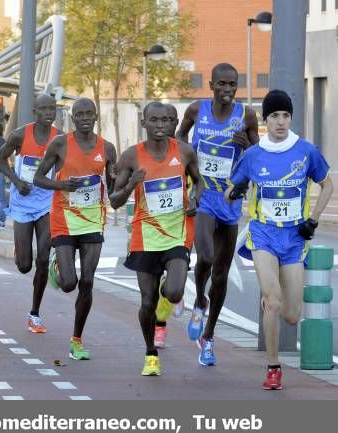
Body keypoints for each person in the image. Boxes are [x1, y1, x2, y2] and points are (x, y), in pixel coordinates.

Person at [227, 89, 333, 390]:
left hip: (295, 238)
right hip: (263, 233)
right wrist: (234, 192)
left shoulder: (306, 151)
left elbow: (328, 185)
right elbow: (231, 189)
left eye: (285, 115)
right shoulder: (253, 155)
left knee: (290, 315)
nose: (281, 122)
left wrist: (314, 219)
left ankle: (272, 301)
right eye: (274, 116)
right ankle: (273, 367)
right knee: (273, 303)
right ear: (266, 120)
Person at [176, 63, 259, 366]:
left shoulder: (246, 115)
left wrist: (246, 143)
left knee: (221, 273)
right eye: (222, 84)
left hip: (231, 198)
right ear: (211, 85)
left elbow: (256, 154)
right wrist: (188, 155)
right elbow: (181, 135)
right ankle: (199, 298)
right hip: (204, 196)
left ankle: (208, 336)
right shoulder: (197, 110)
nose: (227, 90)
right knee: (206, 257)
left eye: (232, 85)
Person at [110, 102, 202, 376]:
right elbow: (114, 201)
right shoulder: (130, 157)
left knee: (173, 291)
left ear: (172, 123)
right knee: (147, 301)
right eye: (154, 120)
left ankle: (169, 294)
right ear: (144, 122)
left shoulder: (184, 152)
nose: (160, 125)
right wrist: (130, 185)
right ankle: (150, 353)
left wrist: (195, 198)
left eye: (165, 120)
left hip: (177, 233)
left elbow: (199, 181)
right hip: (145, 236)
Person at [33, 97, 116, 360]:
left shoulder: (108, 148)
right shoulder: (60, 144)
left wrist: (117, 181)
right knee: (69, 283)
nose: (83, 118)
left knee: (88, 282)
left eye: (88, 114)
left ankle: (76, 340)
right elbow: (38, 177)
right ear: (72, 118)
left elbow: (113, 191)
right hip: (64, 219)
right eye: (78, 114)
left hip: (92, 219)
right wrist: (61, 186)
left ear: (95, 117)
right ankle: (58, 264)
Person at [0, 94, 62, 333]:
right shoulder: (20, 134)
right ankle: (19, 250)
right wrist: (15, 180)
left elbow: (63, 168)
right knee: (25, 265)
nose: (48, 113)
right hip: (23, 202)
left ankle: (34, 314)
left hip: (46, 203)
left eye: (51, 109)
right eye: (43, 109)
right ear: (35, 111)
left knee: (42, 259)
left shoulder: (60, 138)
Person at [152, 103, 180, 349]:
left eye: (171, 120)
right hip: (152, 228)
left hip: (182, 224)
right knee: (154, 283)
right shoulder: (147, 151)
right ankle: (158, 327)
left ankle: (161, 322)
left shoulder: (186, 151)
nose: (166, 124)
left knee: (173, 285)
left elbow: (199, 181)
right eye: (162, 119)